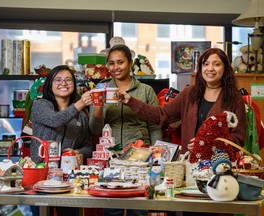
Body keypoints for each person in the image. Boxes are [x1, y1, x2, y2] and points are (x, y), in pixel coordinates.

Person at [118, 48, 246, 216]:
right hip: (191, 173)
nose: (210, 69)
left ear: (225, 69)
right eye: (206, 64)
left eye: (216, 64)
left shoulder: (234, 98)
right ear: (200, 68)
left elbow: (239, 138)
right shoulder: (189, 94)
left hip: (219, 173)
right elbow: (161, 115)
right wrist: (130, 101)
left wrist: (211, 143)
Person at [89, 44, 162, 216]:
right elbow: (95, 129)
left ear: (130, 63)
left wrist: (157, 155)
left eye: (120, 62)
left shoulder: (146, 91)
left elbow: (155, 124)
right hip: (111, 158)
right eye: (111, 63)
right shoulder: (101, 89)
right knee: (112, 207)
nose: (116, 67)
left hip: (140, 157)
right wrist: (98, 106)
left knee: (138, 207)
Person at [30, 64, 93, 216]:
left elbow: (88, 147)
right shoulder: (40, 106)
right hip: (41, 177)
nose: (63, 83)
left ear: (74, 84)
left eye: (68, 80)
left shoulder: (82, 116)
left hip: (68, 179)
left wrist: (76, 152)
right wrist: (79, 104)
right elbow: (55, 120)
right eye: (57, 80)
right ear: (50, 85)